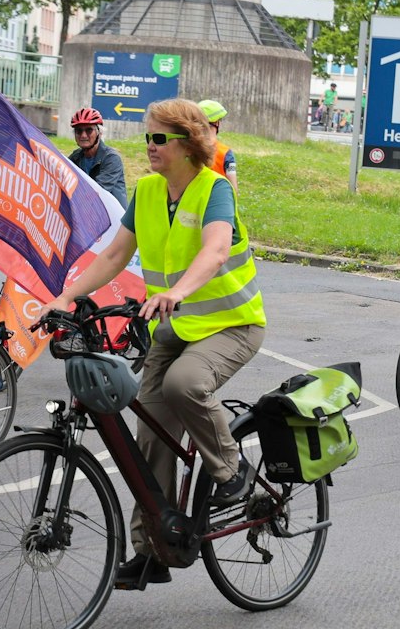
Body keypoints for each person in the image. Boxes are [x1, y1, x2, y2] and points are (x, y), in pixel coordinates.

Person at [46, 98, 265, 590]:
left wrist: (178, 291)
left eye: (159, 138)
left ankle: (233, 472)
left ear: (187, 143)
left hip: (231, 322)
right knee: (149, 425)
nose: (149, 146)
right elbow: (113, 256)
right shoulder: (146, 191)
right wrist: (65, 296)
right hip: (175, 324)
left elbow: (213, 250)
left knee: (185, 384)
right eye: (147, 136)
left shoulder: (214, 190)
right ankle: (154, 551)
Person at [66, 107, 127, 207]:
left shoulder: (111, 158)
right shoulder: (76, 157)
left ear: (99, 132)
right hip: (91, 214)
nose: (83, 135)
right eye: (79, 131)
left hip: (114, 218)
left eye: (89, 130)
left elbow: (97, 192)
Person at [196, 99, 238, 188]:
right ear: (217, 122)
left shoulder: (187, 148)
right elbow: (233, 187)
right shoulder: (226, 153)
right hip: (217, 199)